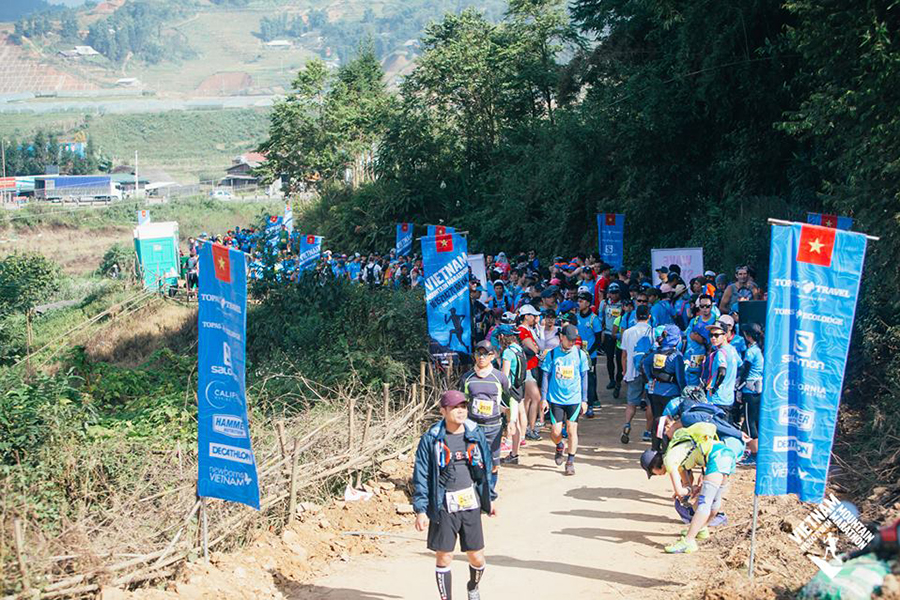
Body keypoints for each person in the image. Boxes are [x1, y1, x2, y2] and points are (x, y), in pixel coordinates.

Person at [413, 390, 494, 600]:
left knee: (476, 557)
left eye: (464, 407)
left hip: (470, 502)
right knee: (444, 557)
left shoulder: (475, 434)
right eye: (455, 407)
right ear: (443, 411)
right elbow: (421, 474)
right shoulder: (431, 439)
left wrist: (490, 498)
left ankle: (473, 586)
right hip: (443, 504)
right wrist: (421, 509)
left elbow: (486, 469)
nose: (461, 411)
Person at [640, 422, 737, 554]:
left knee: (704, 502)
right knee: (714, 499)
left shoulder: (670, 461)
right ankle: (701, 528)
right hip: (725, 453)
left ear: (654, 467)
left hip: (716, 458)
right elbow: (687, 485)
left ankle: (689, 541)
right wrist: (692, 489)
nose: (656, 475)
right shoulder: (675, 453)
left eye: (653, 473)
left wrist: (686, 492)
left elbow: (681, 491)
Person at [459, 340, 510, 498]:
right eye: (478, 354)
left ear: (492, 356)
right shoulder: (467, 378)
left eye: (485, 354)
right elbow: (462, 403)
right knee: (474, 462)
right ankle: (479, 495)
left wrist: (511, 424)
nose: (481, 357)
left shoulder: (500, 378)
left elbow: (508, 402)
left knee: (494, 464)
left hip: (494, 427)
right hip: (473, 427)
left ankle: (490, 494)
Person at [541, 325, 590, 476]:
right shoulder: (552, 354)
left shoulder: (580, 354)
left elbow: (584, 377)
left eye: (574, 340)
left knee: (571, 430)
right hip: (556, 399)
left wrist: (584, 400)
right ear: (561, 337)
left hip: (574, 399)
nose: (571, 343)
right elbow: (545, 376)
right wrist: (544, 399)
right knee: (556, 432)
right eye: (569, 340)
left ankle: (570, 462)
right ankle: (559, 445)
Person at [641, 324, 686, 450]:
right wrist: (684, 392)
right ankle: (666, 449)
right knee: (669, 422)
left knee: (657, 419)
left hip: (655, 391)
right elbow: (680, 377)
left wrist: (650, 379)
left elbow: (644, 363)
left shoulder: (657, 352)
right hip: (671, 393)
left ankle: (655, 448)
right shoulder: (676, 356)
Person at [620, 304, 655, 444]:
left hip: (632, 371)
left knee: (631, 403)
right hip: (650, 373)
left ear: (635, 316)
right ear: (649, 317)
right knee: (649, 403)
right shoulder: (653, 332)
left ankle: (627, 424)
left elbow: (624, 355)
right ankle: (647, 431)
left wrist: (624, 371)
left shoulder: (628, 332)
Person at [498, 325, 527, 464]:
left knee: (511, 420)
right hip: (520, 388)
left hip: (510, 392)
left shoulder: (508, 353)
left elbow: (504, 375)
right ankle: (515, 452)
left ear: (502, 337)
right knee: (516, 419)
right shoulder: (519, 349)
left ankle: (514, 452)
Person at [738, 324, 764, 465]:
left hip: (749, 390)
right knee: (756, 421)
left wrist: (739, 387)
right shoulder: (760, 350)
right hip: (758, 390)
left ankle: (754, 455)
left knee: (749, 423)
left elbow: (745, 371)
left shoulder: (751, 351)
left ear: (748, 335)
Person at [517, 304, 543, 441]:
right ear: (526, 316)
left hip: (530, 367)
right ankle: (531, 429)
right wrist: (538, 350)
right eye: (533, 315)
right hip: (527, 369)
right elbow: (534, 348)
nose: (535, 318)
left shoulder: (528, 329)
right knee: (536, 398)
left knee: (527, 399)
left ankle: (525, 428)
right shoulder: (523, 330)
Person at [704, 321, 741, 417]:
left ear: (725, 335)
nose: (713, 338)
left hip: (717, 398)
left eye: (716, 335)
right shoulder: (732, 349)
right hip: (728, 397)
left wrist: (714, 388)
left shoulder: (720, 353)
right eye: (711, 335)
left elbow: (722, 371)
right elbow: (741, 366)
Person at [575, 291, 603, 416]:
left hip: (590, 356)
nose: (579, 303)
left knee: (590, 379)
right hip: (576, 354)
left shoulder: (594, 319)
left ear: (587, 303)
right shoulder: (576, 317)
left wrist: (588, 352)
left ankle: (590, 405)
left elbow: (598, 339)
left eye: (581, 301)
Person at [684, 294, 717, 386]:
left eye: (708, 306)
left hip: (707, 357)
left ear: (712, 306)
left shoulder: (716, 321)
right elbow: (687, 334)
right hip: (692, 356)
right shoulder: (695, 320)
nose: (705, 309)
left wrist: (702, 340)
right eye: (702, 306)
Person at [598, 281, 624, 393]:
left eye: (616, 293)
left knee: (619, 359)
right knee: (609, 358)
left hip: (619, 335)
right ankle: (611, 379)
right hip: (608, 333)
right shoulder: (604, 304)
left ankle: (618, 381)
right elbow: (600, 317)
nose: (614, 295)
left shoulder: (623, 304)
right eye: (612, 293)